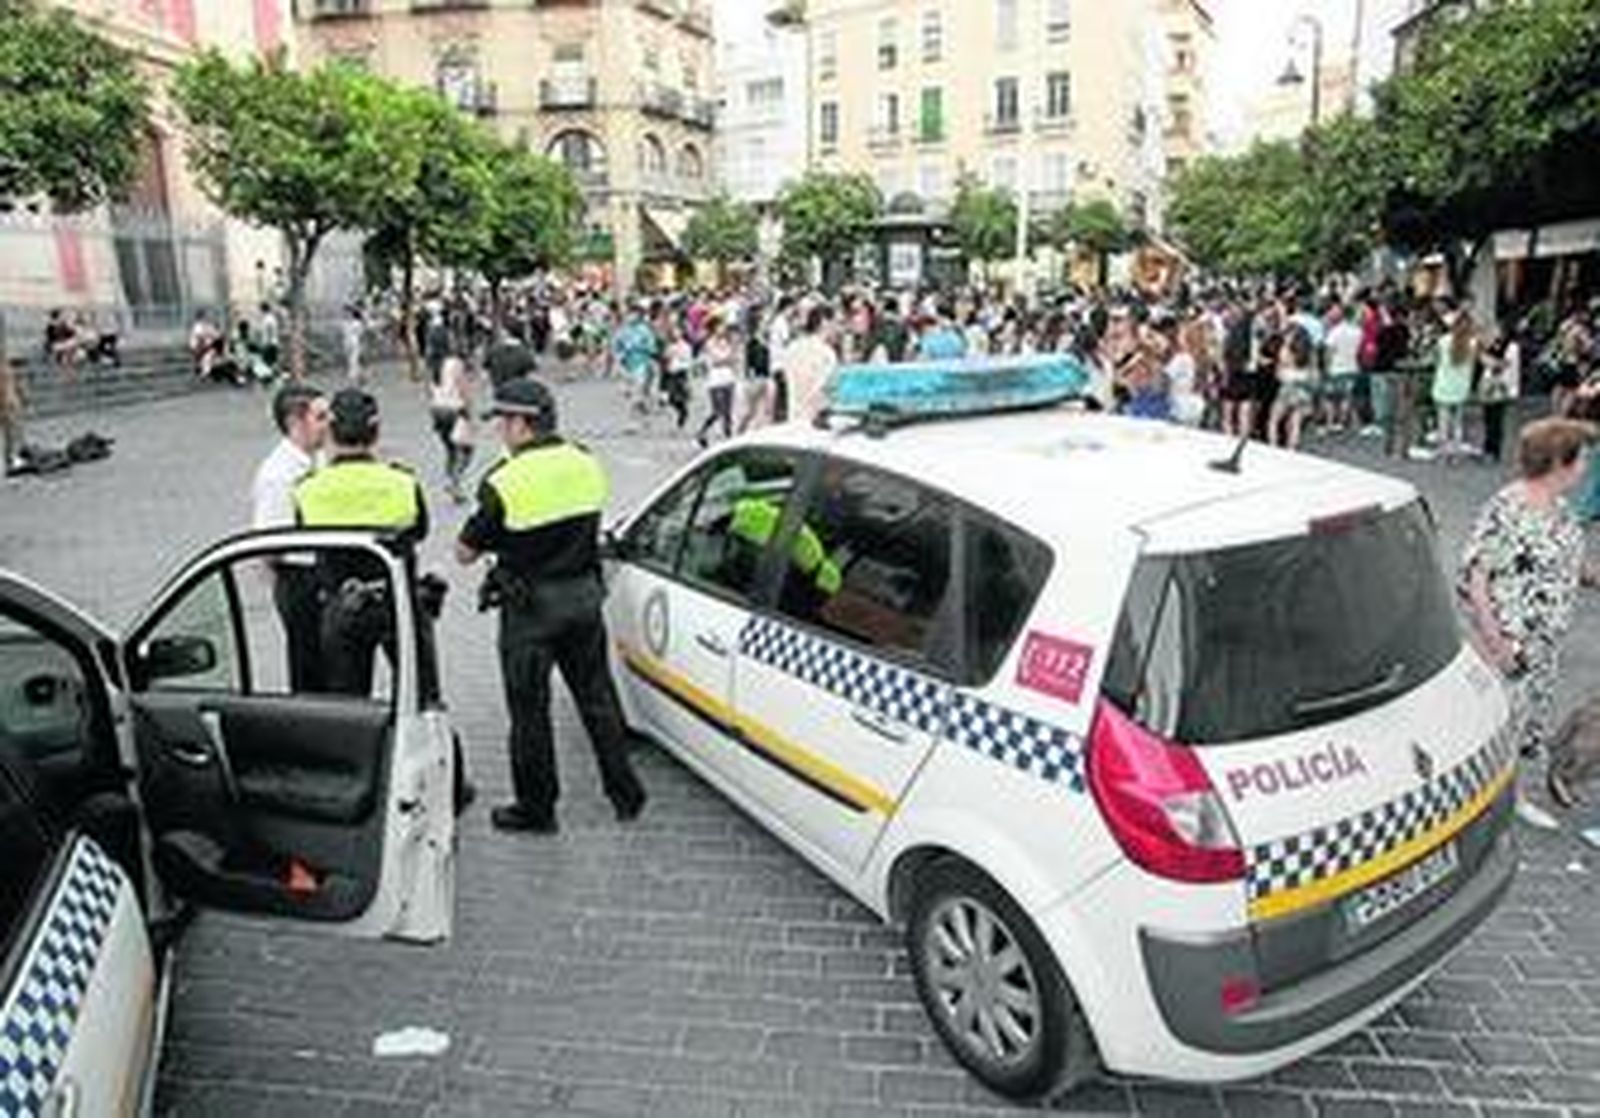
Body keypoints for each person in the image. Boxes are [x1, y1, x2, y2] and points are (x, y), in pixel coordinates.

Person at [456, 379, 647, 834]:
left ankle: (536, 809)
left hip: (531, 611)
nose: (501, 430)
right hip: (583, 598)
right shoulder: (586, 462)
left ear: (523, 423)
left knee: (529, 711)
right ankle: (626, 794)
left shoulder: (503, 481)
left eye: (504, 420)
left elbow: (465, 551)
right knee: (597, 699)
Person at [1458, 417, 1597, 828]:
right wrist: (1497, 643)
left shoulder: (1560, 508)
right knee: (1499, 725)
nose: (1587, 465)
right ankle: (1493, 805)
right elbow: (1476, 578)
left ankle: (1507, 796)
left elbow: (1568, 565)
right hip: (1511, 643)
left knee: (1521, 725)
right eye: (1583, 457)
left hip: (1543, 642)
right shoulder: (1509, 508)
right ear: (1561, 462)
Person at [252, 383, 331, 692]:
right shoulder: (279, 475)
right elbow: (269, 545)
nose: (330, 423)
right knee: (309, 667)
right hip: (301, 578)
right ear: (295, 422)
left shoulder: (319, 458)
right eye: (321, 417)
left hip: (323, 574)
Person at [429, 350, 476, 503]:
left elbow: (429, 391)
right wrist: (470, 414)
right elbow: (464, 390)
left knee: (450, 450)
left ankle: (451, 481)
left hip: (438, 410)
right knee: (467, 450)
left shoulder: (432, 364)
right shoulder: (455, 364)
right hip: (455, 410)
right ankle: (455, 483)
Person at [782, 304, 839, 423]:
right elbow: (827, 390)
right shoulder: (827, 354)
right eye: (835, 323)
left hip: (793, 418)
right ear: (825, 323)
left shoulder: (793, 348)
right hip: (816, 422)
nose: (837, 329)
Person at [1479, 324, 1522, 463]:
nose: (1493, 332)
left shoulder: (1512, 347)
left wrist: (1486, 359)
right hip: (1489, 385)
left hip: (1501, 386)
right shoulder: (1492, 344)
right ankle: (1487, 448)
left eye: (1495, 330)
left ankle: (1494, 450)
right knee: (1488, 417)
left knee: (1496, 419)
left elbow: (1502, 364)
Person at [1269, 325, 1317, 451]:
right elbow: (1314, 374)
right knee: (1295, 422)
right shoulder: (1310, 352)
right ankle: (1292, 449)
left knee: (1274, 420)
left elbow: (1278, 373)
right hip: (1303, 390)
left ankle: (1273, 447)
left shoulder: (1286, 350)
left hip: (1287, 388)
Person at [696, 316, 739, 447]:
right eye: (720, 326)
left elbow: (733, 358)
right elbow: (717, 360)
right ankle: (702, 432)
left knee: (728, 412)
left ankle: (729, 438)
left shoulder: (727, 341)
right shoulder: (709, 342)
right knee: (717, 410)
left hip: (729, 378)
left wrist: (729, 356)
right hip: (715, 380)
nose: (723, 329)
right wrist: (728, 358)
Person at [1323, 303, 1364, 432]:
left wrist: (1326, 366)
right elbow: (1360, 351)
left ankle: (1330, 422)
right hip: (1352, 366)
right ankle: (1342, 421)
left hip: (1336, 367)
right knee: (1346, 397)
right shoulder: (1358, 331)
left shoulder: (1335, 331)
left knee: (1331, 397)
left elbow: (1329, 351)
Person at [342, 305, 366, 384]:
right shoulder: (345, 323)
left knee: (353, 361)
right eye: (345, 313)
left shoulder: (357, 323)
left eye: (348, 312)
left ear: (351, 313)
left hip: (354, 342)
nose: (346, 314)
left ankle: (353, 378)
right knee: (351, 361)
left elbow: (360, 333)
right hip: (347, 342)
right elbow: (345, 334)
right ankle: (361, 376)